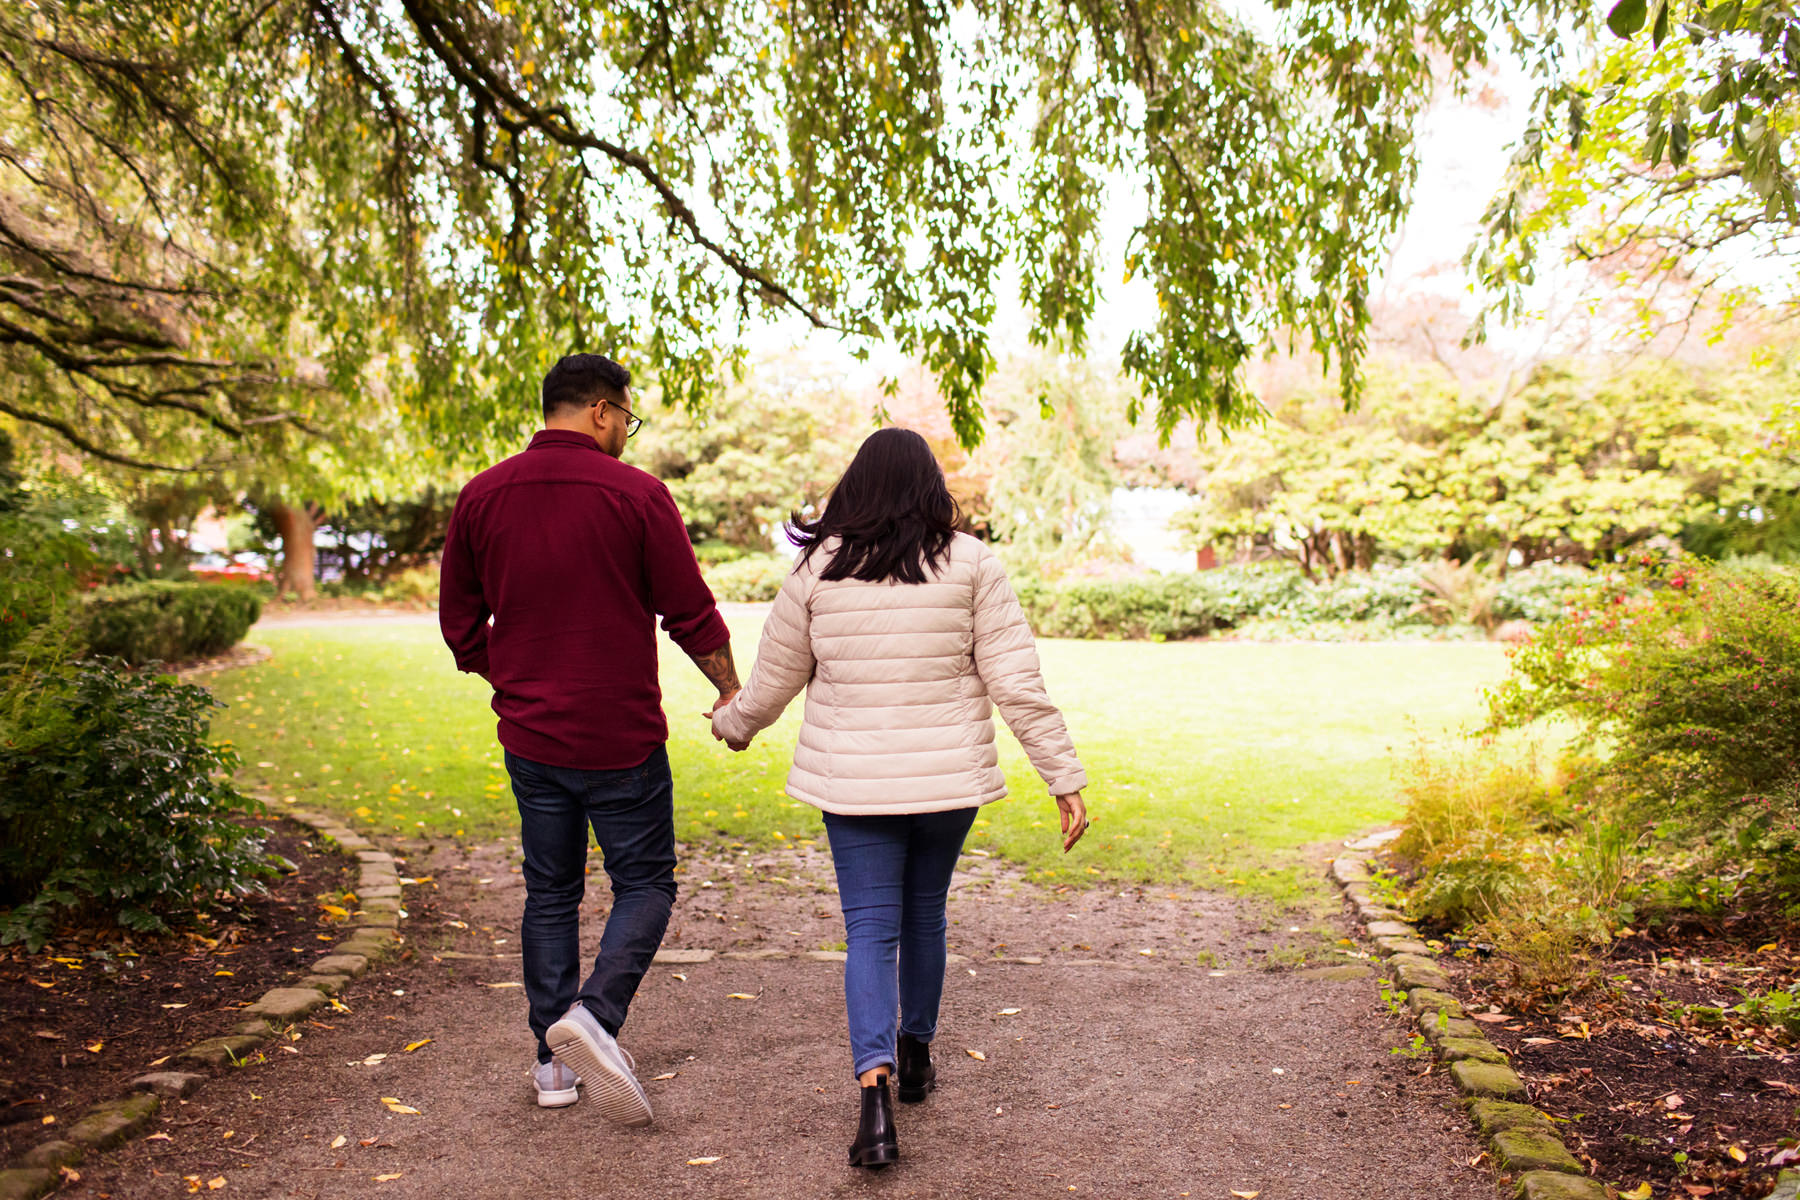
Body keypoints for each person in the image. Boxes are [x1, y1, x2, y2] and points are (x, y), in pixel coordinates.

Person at [710, 426, 1090, 1169]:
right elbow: (1017, 682)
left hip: (853, 786)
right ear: (929, 488)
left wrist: (733, 724)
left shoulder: (818, 569)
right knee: (924, 917)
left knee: (870, 932)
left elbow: (772, 682)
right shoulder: (972, 563)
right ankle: (915, 1053)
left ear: (855, 486)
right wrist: (1063, 776)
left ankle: (875, 1104)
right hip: (947, 785)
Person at [439, 353, 741, 1122]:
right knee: (646, 883)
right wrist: (730, 692)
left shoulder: (481, 496)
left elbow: (460, 626)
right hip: (621, 736)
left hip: (531, 736)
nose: (626, 433)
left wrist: (514, 676)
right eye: (626, 418)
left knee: (551, 892)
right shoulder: (637, 495)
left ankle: (552, 1064)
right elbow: (690, 612)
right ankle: (595, 1017)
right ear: (601, 411)